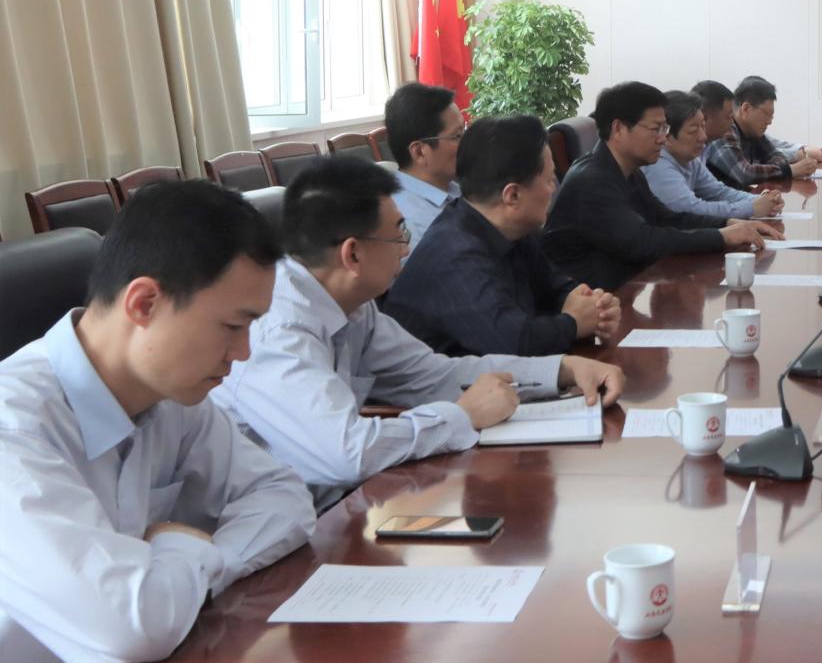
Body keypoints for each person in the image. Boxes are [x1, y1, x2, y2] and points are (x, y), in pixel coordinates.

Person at [0, 182, 316, 663]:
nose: (243, 352)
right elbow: (130, 626)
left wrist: (193, 561)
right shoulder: (14, 428)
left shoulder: (172, 398)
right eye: (232, 325)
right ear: (144, 303)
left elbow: (284, 495)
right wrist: (180, 555)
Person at [213, 158, 626, 508]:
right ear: (352, 253)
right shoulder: (278, 330)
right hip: (269, 529)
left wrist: (562, 370)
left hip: (335, 508)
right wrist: (462, 416)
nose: (407, 249)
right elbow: (347, 453)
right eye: (399, 235)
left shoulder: (352, 306)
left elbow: (434, 374)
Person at [387, 115, 623, 356]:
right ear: (513, 196)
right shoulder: (454, 254)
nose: (554, 188)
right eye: (549, 179)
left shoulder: (513, 228)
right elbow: (513, 342)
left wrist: (590, 303)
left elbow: (553, 285)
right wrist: (573, 324)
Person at [544, 83, 775, 290]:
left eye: (665, 129)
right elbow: (643, 242)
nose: (663, 139)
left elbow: (666, 218)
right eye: (656, 129)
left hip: (618, 291)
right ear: (619, 129)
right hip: (585, 303)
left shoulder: (629, 171)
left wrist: (727, 223)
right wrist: (721, 237)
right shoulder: (592, 181)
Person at [644, 89, 783, 222]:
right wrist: (751, 208)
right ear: (666, 135)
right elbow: (692, 210)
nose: (703, 137)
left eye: (703, 126)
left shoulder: (689, 159)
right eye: (693, 130)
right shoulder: (657, 164)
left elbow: (718, 192)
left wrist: (762, 200)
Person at [706, 75, 822, 185]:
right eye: (767, 114)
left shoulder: (753, 133)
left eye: (771, 116)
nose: (770, 121)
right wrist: (790, 170)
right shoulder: (724, 130)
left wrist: (779, 168)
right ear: (746, 109)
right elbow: (744, 173)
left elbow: (777, 156)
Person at [385, 82, 464, 242]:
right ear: (419, 152)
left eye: (465, 130)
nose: (467, 142)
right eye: (457, 136)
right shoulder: (412, 225)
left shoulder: (455, 189)